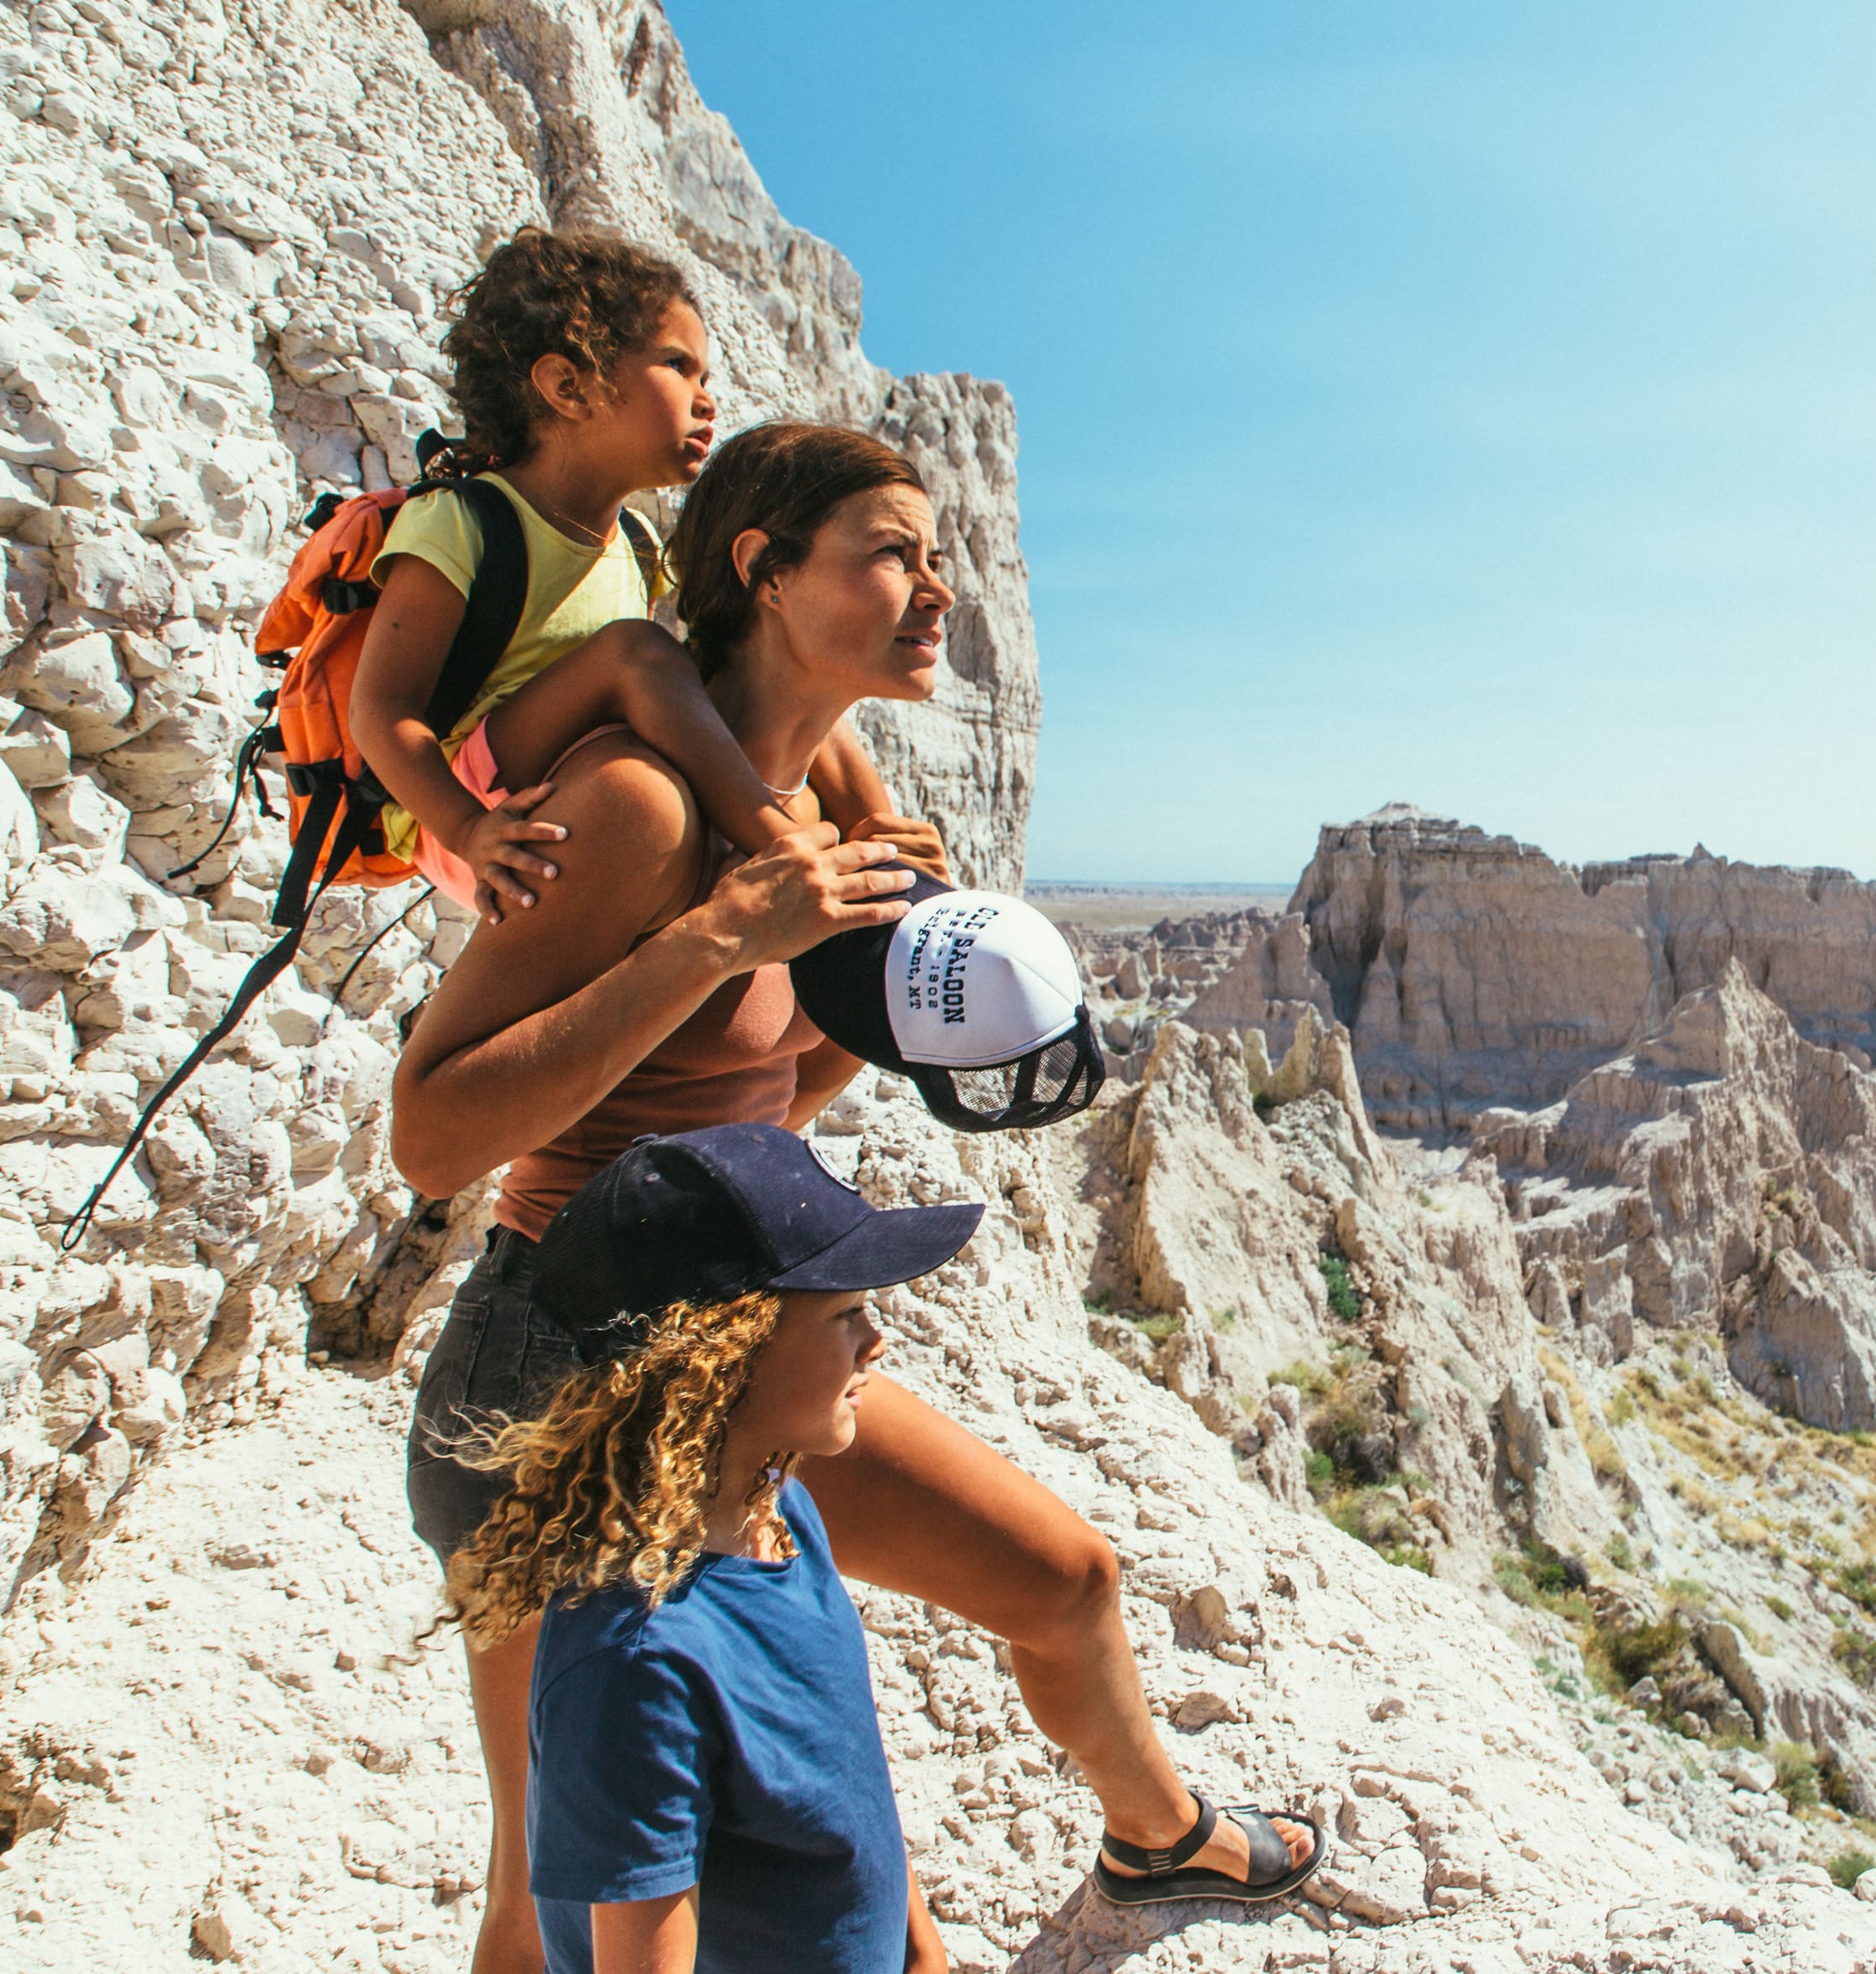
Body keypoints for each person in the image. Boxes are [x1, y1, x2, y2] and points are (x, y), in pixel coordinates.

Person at [393, 420, 1319, 1974]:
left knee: (1066, 1577)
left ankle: (1159, 1845)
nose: (938, 592)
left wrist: (875, 1003)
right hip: (567, 1374)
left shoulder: (822, 804)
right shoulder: (642, 806)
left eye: (940, 557)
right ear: (760, 568)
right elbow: (429, 1135)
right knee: (540, 1902)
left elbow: (757, 1098)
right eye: (893, 554)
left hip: (753, 1346)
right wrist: (711, 940)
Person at [449, 1124, 987, 1974]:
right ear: (725, 1351)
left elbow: (845, 1780)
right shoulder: (637, 1662)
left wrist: (921, 1949)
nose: (875, 1340)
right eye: (845, 1311)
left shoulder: (779, 1516)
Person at [349, 227, 928, 923]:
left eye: (705, 377)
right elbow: (381, 711)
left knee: (797, 690)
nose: (706, 398)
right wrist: (469, 829)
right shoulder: (464, 521)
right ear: (568, 386)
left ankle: (895, 865)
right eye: (679, 367)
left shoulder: (636, 543)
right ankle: (787, 849)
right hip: (472, 807)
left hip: (575, 764)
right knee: (640, 651)